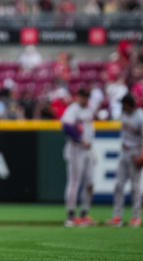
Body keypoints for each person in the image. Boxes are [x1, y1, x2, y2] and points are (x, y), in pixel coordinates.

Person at [105, 94, 143, 227]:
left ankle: (136, 218)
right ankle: (117, 217)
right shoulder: (124, 113)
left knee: (135, 186)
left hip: (136, 152)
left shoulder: (142, 117)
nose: (122, 106)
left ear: (129, 105)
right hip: (124, 151)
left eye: (124, 104)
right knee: (118, 185)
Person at [61, 88, 96, 227]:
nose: (85, 99)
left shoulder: (88, 110)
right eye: (83, 96)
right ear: (78, 96)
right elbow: (66, 128)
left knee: (90, 183)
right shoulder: (72, 109)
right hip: (76, 149)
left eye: (87, 97)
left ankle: (84, 214)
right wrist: (81, 140)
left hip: (88, 150)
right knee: (74, 182)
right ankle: (70, 216)